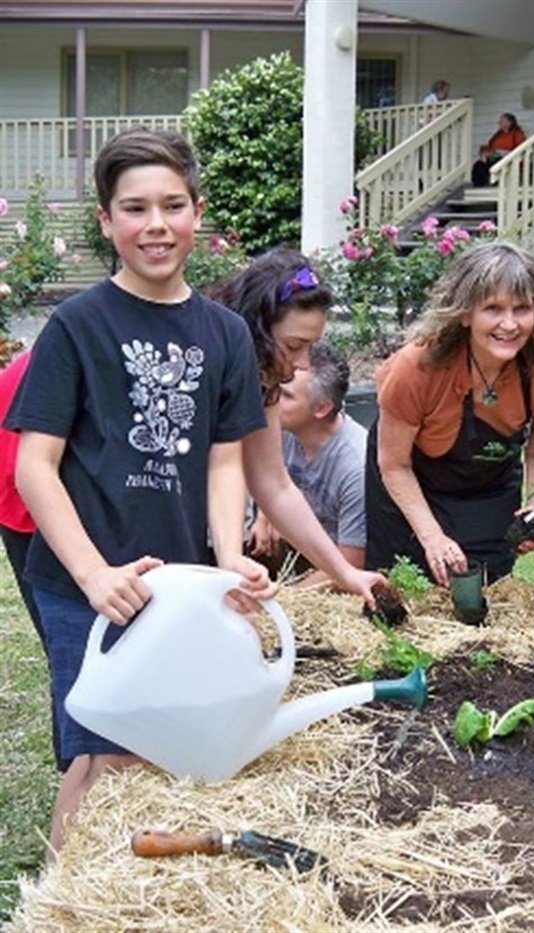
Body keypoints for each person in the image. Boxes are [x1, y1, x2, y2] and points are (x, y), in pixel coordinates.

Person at [4, 127, 274, 857]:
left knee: (152, 742)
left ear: (197, 212)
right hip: (82, 583)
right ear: (105, 220)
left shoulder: (225, 334)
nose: (155, 225)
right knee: (98, 751)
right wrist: (94, 575)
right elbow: (36, 465)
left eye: (172, 205)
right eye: (134, 208)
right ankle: (64, 899)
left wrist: (226, 560)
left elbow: (225, 463)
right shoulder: (75, 327)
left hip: (178, 583)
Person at [365, 241, 534, 587]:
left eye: (522, 308)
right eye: (493, 309)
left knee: (478, 591)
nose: (510, 324)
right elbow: (394, 464)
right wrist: (432, 537)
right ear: (465, 313)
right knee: (409, 584)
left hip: (488, 486)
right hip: (409, 478)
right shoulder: (416, 368)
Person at [204, 248, 387, 603]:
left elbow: (274, 485)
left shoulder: (265, 384)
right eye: (294, 345)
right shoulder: (206, 365)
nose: (303, 364)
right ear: (256, 328)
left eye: (311, 346)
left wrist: (345, 573)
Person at [249, 340, 369, 587]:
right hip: (301, 548)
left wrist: (288, 598)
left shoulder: (355, 467)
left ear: (322, 407)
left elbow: (352, 563)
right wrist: (264, 517)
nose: (271, 399)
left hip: (336, 568)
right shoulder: (285, 428)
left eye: (286, 396)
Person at [0, 350, 66, 771]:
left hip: (35, 494)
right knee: (64, 642)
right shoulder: (63, 358)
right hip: (26, 506)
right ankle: (72, 761)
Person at [471, 113, 526, 187]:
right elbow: (490, 147)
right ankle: (478, 186)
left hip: (508, 159)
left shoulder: (516, 134)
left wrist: (497, 153)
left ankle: (491, 183)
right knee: (479, 165)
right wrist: (484, 152)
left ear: (509, 122)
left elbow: (519, 149)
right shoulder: (498, 135)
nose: (499, 122)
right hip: (494, 157)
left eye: (502, 121)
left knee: (491, 162)